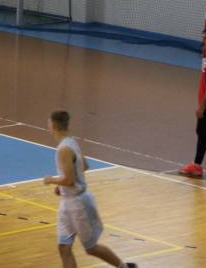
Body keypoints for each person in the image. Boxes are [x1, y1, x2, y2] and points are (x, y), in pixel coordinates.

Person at [44, 110, 137, 268]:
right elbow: (84, 165)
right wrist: (62, 185)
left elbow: (69, 180)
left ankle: (124, 267)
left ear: (53, 125)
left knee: (91, 248)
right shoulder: (72, 142)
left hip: (78, 204)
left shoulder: (64, 149)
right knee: (64, 247)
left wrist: (51, 180)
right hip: (67, 202)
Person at [179, 27, 206, 177]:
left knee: (203, 134)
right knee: (203, 134)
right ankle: (196, 166)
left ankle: (196, 166)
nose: (203, 41)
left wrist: (202, 107)